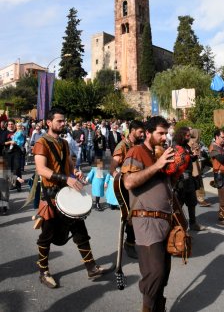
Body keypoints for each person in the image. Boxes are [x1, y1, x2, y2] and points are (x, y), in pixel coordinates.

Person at [33, 107, 105, 289]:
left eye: (64, 120)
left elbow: (69, 166)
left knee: (80, 231)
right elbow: (41, 169)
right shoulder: (41, 142)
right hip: (50, 197)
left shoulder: (65, 143)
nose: (63, 123)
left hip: (67, 194)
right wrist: (66, 178)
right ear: (49, 122)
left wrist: (75, 173)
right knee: (46, 236)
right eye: (59, 121)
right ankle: (43, 271)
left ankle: (91, 267)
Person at [122, 116, 175, 312]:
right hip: (145, 220)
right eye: (160, 133)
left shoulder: (161, 153)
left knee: (164, 273)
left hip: (166, 220)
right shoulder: (137, 151)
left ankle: (159, 308)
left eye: (166, 133)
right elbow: (128, 182)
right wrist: (157, 165)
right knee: (154, 272)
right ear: (148, 132)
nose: (164, 137)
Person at [111, 120, 145, 259]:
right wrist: (121, 181)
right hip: (127, 187)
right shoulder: (122, 146)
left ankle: (138, 240)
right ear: (132, 131)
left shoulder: (139, 145)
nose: (142, 134)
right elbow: (112, 168)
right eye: (140, 132)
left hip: (139, 185)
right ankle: (129, 244)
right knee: (131, 216)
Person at [173, 127, 207, 231]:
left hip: (189, 178)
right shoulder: (176, 147)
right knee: (178, 203)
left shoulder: (186, 146)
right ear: (182, 135)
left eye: (189, 135)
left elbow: (188, 158)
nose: (189, 137)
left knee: (192, 202)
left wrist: (194, 156)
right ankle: (176, 225)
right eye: (187, 135)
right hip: (180, 179)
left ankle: (193, 223)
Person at [188, 128, 211, 207]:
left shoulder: (190, 141)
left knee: (195, 182)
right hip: (195, 165)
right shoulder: (194, 143)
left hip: (193, 165)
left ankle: (196, 198)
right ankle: (200, 199)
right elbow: (197, 155)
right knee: (198, 182)